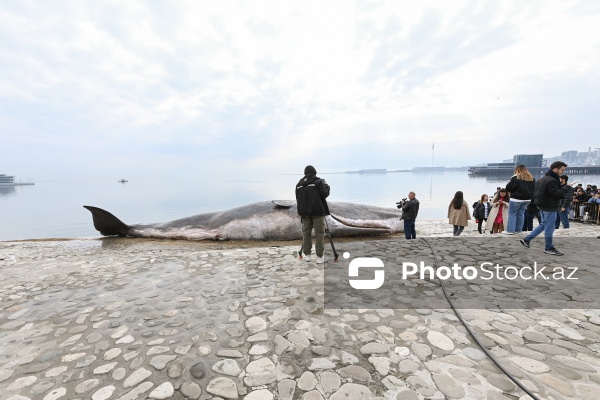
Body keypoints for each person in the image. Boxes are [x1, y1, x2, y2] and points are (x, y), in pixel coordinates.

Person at [520, 161, 568, 255]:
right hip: (550, 207)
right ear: (555, 169)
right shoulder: (552, 180)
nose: (562, 172)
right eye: (562, 170)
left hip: (542, 206)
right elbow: (556, 194)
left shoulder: (543, 178)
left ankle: (527, 239)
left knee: (543, 224)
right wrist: (567, 188)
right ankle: (548, 247)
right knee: (550, 227)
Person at [295, 165, 330, 263]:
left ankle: (307, 256)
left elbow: (298, 198)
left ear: (305, 173)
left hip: (304, 213)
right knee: (319, 234)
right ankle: (319, 257)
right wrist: (326, 186)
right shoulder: (319, 182)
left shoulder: (299, 184)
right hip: (317, 212)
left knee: (306, 233)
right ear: (315, 173)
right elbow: (325, 194)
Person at [504, 165, 535, 234]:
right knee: (521, 214)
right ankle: (518, 230)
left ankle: (510, 230)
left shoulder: (515, 178)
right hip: (527, 199)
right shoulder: (531, 178)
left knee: (512, 214)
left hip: (516, 199)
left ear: (517, 170)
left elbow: (508, 188)